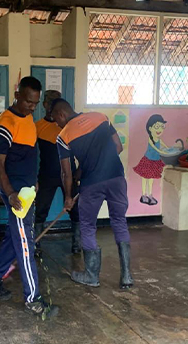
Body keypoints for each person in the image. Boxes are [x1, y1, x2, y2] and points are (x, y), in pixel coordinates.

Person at [0, 76, 59, 318]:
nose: (32, 107)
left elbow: (28, 156)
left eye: (35, 103)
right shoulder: (5, 123)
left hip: (27, 191)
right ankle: (33, 299)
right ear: (17, 95)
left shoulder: (28, 120)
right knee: (26, 244)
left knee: (15, 239)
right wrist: (10, 193)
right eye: (28, 102)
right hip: (15, 194)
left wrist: (33, 180)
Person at [51, 99, 133, 290]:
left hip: (92, 185)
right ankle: (127, 276)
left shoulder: (63, 136)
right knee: (119, 222)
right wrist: (98, 165)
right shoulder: (100, 117)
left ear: (61, 114)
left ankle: (91, 275)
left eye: (55, 119)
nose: (56, 124)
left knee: (87, 226)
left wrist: (68, 197)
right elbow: (118, 147)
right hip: (117, 179)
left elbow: (66, 173)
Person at [34, 90, 80, 256]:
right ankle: (36, 244)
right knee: (40, 210)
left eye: (55, 102)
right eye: (49, 102)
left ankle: (77, 244)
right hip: (46, 175)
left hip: (70, 175)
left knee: (75, 210)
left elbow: (82, 149)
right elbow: (30, 154)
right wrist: (33, 178)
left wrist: (79, 172)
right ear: (44, 104)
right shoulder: (37, 126)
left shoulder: (68, 126)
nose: (51, 106)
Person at [133, 114, 169, 205]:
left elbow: (164, 145)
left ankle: (150, 195)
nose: (160, 129)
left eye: (162, 127)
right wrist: (161, 151)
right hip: (148, 160)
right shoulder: (150, 139)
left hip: (155, 161)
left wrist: (168, 149)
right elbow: (155, 148)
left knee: (151, 179)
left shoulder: (159, 139)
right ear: (150, 128)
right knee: (145, 178)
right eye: (157, 127)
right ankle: (144, 195)